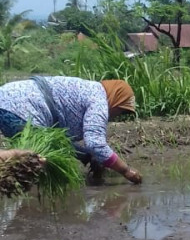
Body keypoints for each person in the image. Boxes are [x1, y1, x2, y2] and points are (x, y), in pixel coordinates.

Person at [0, 76, 143, 184]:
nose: (118, 116)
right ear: (116, 99)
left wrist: (88, 157)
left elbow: (59, 142)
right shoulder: (99, 100)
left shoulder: (91, 90)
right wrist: (126, 171)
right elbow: (95, 143)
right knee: (35, 162)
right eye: (121, 111)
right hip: (21, 107)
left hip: (7, 103)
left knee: (30, 162)